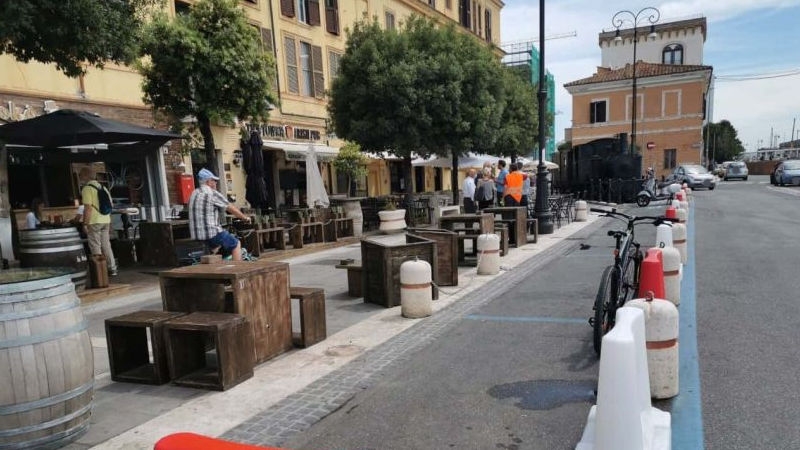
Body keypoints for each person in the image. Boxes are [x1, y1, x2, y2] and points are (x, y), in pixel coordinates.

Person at [188, 168, 251, 261]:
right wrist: (245, 218)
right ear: (208, 181)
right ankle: (238, 268)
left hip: (196, 234)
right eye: (214, 180)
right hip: (211, 233)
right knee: (235, 244)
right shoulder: (212, 193)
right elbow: (230, 208)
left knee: (216, 247)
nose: (216, 183)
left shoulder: (193, 193)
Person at [80, 168, 118, 276]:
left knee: (95, 245)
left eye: (81, 175)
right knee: (106, 245)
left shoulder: (87, 189)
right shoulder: (103, 188)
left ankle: (100, 271)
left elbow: (88, 208)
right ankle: (112, 268)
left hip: (94, 221)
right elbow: (111, 205)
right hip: (105, 220)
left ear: (86, 176)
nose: (80, 178)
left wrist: (85, 224)